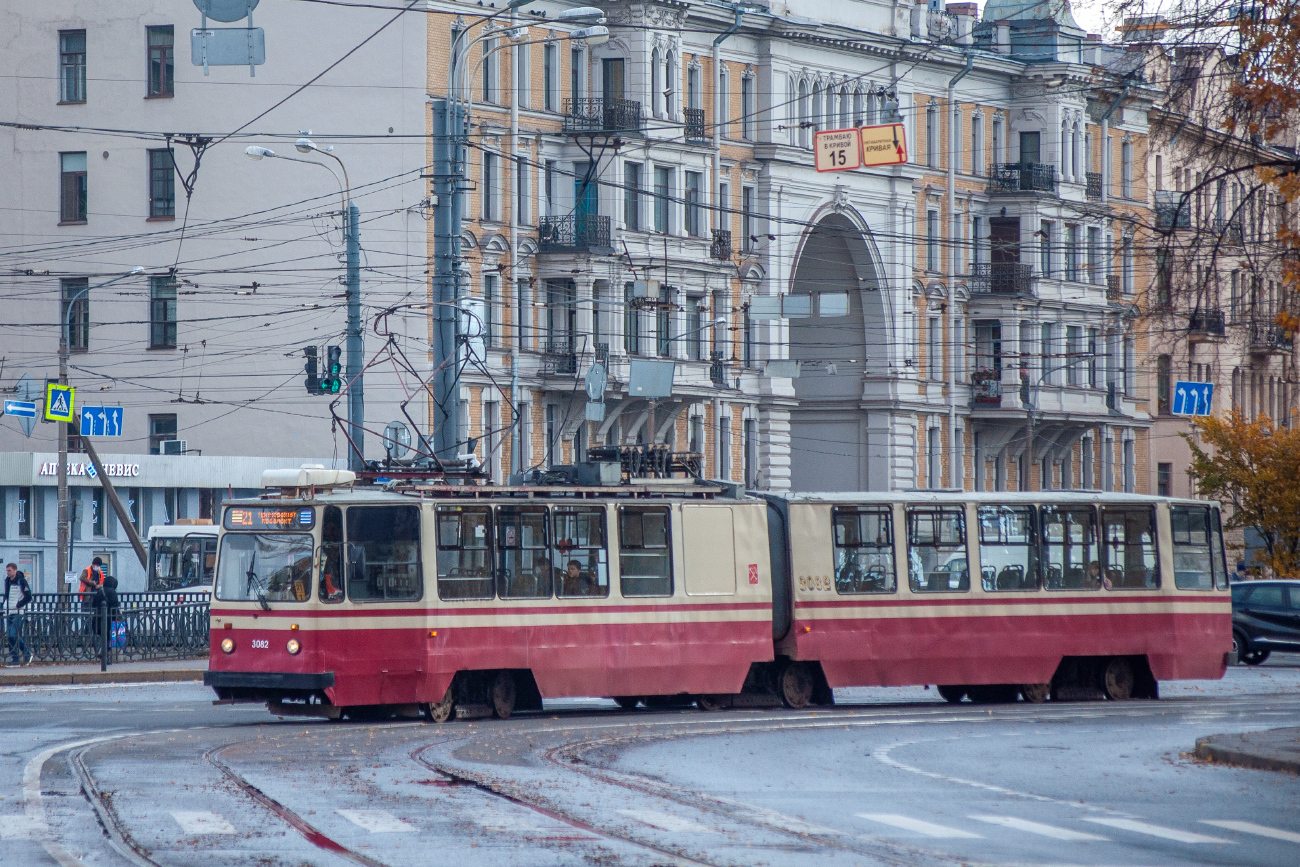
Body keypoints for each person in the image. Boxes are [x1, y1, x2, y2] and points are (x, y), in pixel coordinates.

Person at [3, 563, 33, 666]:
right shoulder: (7, 581)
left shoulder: (21, 581)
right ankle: (16, 658)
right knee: (10, 636)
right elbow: (7, 595)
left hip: (18, 611)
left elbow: (28, 596)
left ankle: (25, 654)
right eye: (7, 570)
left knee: (13, 634)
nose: (8, 572)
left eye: (10, 570)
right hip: (9, 610)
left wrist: (18, 604)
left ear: (15, 570)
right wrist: (4, 605)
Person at [80, 557, 105, 636]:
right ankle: (86, 633)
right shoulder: (87, 570)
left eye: (99, 565)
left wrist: (99, 586)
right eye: (97, 565)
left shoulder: (100, 572)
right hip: (87, 596)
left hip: (96, 596)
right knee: (87, 615)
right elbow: (82, 578)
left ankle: (92, 633)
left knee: (95, 615)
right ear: (94, 564)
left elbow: (103, 581)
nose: (98, 567)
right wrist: (92, 583)